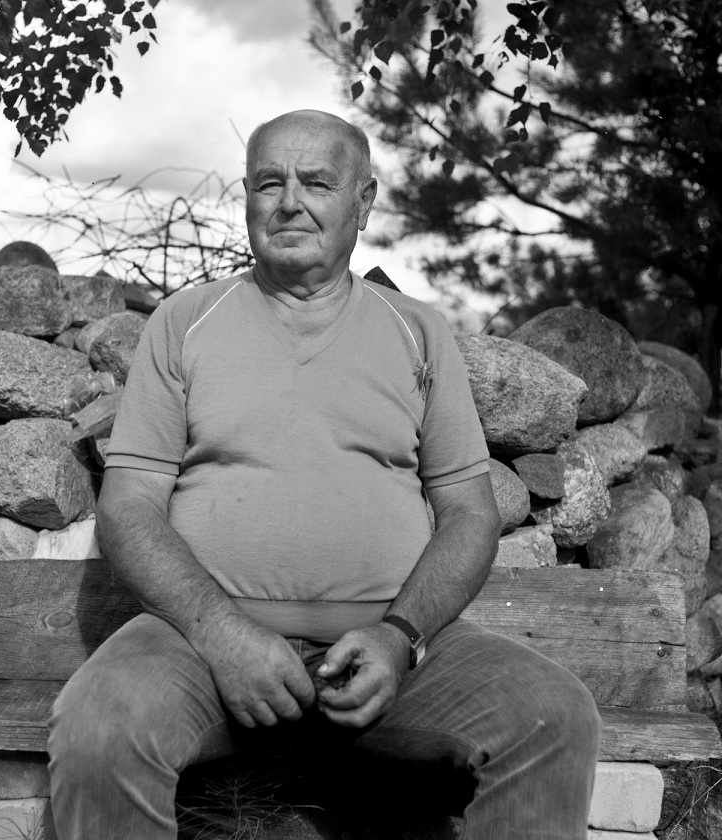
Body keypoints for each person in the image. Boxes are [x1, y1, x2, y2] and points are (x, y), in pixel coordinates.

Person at [48, 109, 601, 839]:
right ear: (247, 198)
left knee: (554, 716)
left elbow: (470, 514)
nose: (289, 202)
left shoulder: (417, 332)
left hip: (390, 656)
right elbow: (129, 507)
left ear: (363, 203)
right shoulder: (184, 324)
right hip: (198, 649)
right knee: (97, 728)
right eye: (268, 183)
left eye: (316, 183)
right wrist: (222, 634)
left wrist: (399, 640)